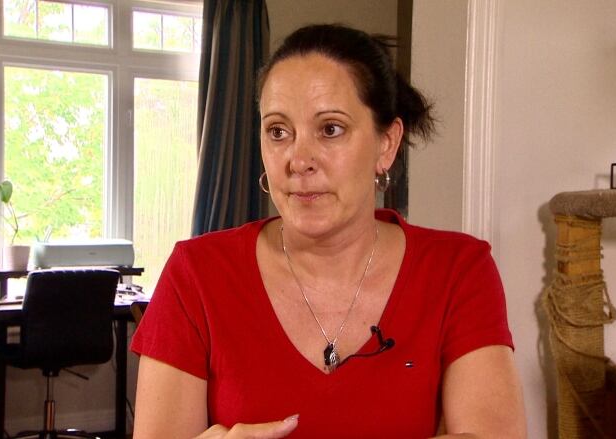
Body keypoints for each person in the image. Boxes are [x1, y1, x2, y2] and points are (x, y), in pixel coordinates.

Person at [131, 24, 526, 439]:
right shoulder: (196, 273)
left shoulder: (458, 269)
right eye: (278, 132)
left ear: (386, 144)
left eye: (330, 129)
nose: (298, 161)